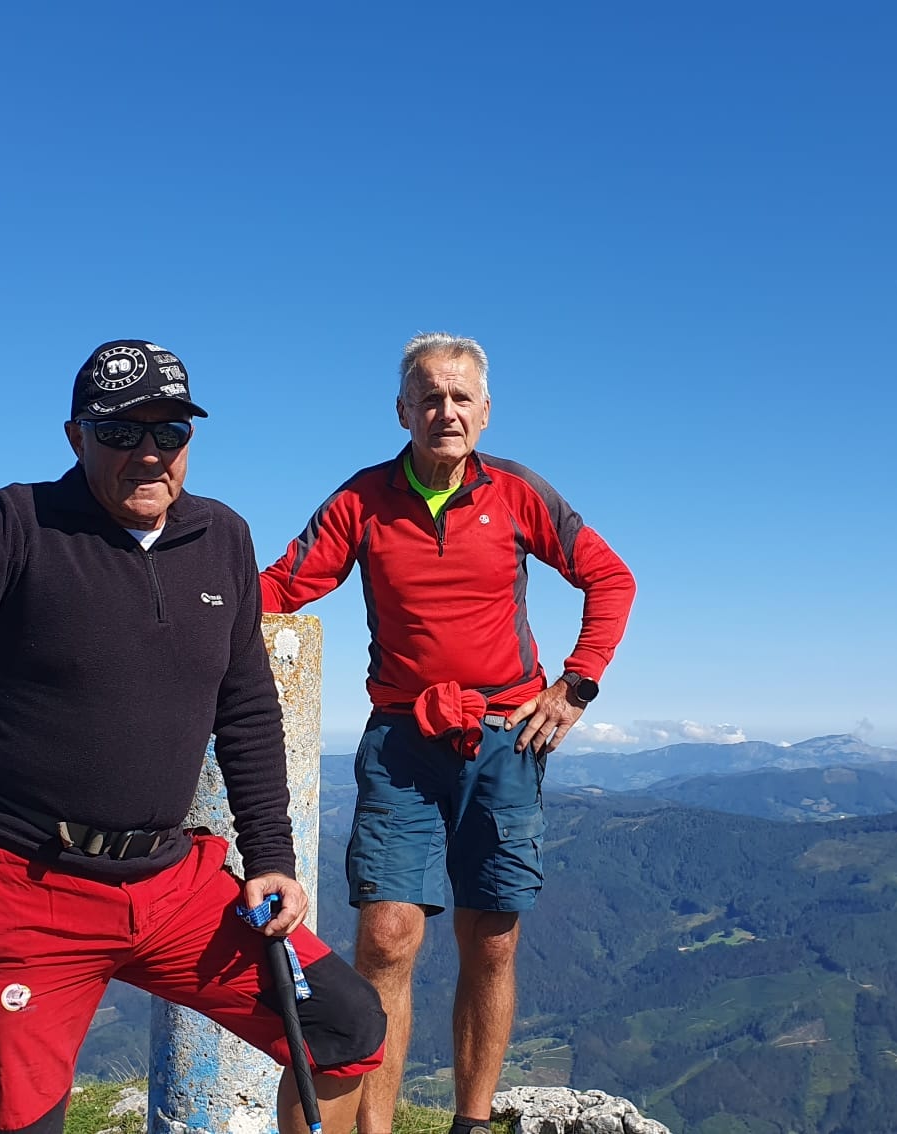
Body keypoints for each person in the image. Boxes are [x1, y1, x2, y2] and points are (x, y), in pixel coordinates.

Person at [0, 339, 384, 1134]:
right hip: (28, 886)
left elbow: (247, 707)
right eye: (120, 432)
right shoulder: (17, 522)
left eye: (170, 431)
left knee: (343, 1026)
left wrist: (271, 857)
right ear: (75, 437)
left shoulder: (223, 538)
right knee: (17, 1124)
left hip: (173, 882)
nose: (149, 453)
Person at [258, 333, 636, 1134]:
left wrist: (576, 685)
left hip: (506, 740)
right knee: (386, 937)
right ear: (402, 411)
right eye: (430, 397)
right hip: (403, 741)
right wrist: (191, 601)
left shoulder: (518, 492)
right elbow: (287, 583)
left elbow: (609, 576)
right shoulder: (362, 500)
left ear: (486, 411)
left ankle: (470, 1123)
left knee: (492, 939)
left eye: (461, 397)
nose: (447, 411)